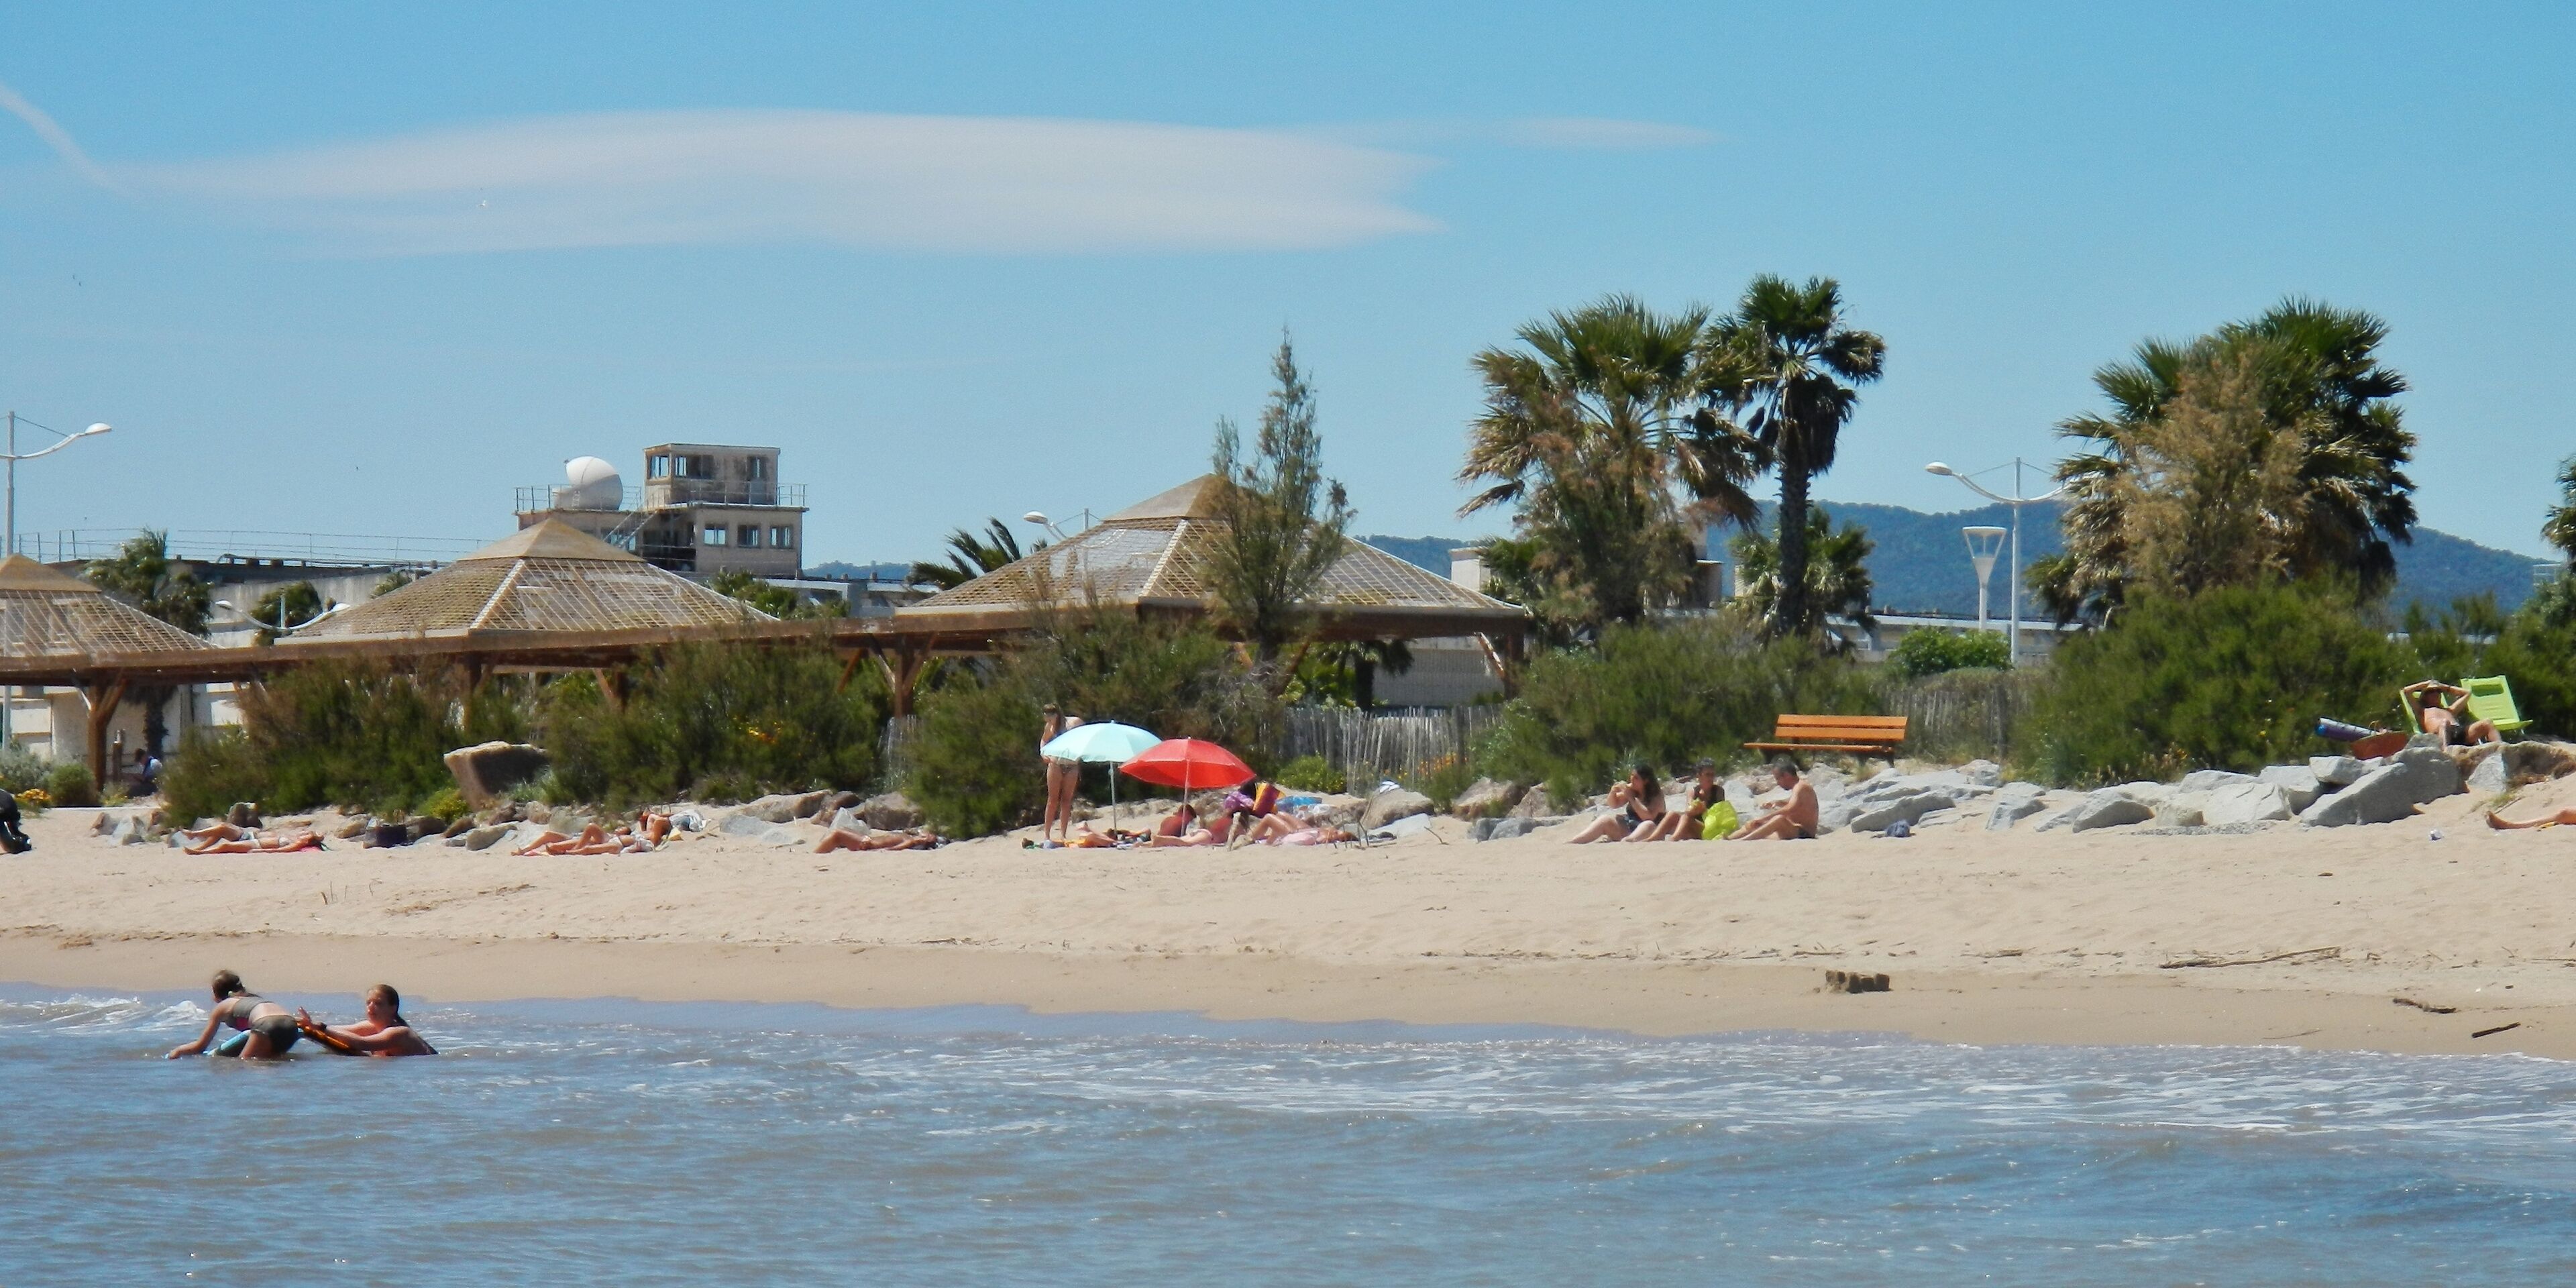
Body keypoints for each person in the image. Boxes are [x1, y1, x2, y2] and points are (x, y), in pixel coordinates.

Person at [167, 969, 301, 1059]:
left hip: (266, 1026)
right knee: (274, 1064)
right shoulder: (256, 999)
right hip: (291, 1026)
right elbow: (280, 1019)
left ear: (217, 994)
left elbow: (200, 1046)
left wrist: (177, 1052)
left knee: (245, 1064)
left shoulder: (223, 1006)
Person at [298, 984, 437, 1057]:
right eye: (368, 1002)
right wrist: (308, 1025)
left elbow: (362, 1043)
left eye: (378, 1003)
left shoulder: (399, 1033)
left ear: (393, 1008)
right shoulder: (371, 1026)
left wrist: (321, 1027)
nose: (371, 1007)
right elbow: (340, 1031)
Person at [1568, 765, 1665, 843]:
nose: (1632, 780)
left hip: (1651, 830)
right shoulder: (1632, 790)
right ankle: (1576, 841)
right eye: (1632, 776)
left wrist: (1632, 798)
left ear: (1646, 781)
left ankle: (1628, 842)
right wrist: (1613, 792)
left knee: (1648, 824)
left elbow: (1648, 817)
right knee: (1605, 820)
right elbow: (1613, 804)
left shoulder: (1656, 795)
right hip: (1629, 828)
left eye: (1636, 778)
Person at [1729, 758, 1820, 841]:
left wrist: (1763, 819)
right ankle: (1729, 839)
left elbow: (1790, 808)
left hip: (1804, 833)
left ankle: (1743, 840)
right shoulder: (1799, 788)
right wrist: (1777, 803)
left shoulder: (1801, 787)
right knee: (1754, 825)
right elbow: (1797, 805)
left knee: (1779, 819)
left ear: (1787, 776)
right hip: (1792, 831)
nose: (1777, 783)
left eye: (1778, 779)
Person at [2402, 681, 2502, 748]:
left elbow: (2468, 693)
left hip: (2460, 734)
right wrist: (2426, 684)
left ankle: (2501, 750)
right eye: (2431, 692)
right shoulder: (2422, 711)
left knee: (2487, 723)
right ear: (2424, 696)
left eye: (2438, 691)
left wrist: (2444, 687)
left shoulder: (2450, 710)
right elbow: (2406, 691)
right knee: (2444, 723)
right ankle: (2446, 755)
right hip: (2440, 734)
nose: (2436, 693)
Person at [1646, 761, 1725, 841]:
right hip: (1694, 827)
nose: (1711, 778)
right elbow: (1688, 810)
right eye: (1708, 775)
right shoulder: (1693, 792)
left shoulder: (1718, 791)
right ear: (1699, 776)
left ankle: (1673, 839)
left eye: (1712, 775)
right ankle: (1654, 837)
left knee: (1686, 817)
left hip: (1710, 828)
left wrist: (1705, 810)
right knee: (1672, 814)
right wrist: (1695, 809)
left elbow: (1720, 814)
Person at [1040, 703, 1084, 843]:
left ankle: (1063, 834)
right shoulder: (1049, 727)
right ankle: (1047, 835)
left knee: (1066, 800)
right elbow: (1044, 740)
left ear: (1057, 714)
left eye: (1050, 717)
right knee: (1052, 800)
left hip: (1071, 764)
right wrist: (1043, 753)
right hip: (1056, 764)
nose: (1049, 720)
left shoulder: (1074, 723)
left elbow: (1085, 734)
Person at [182, 823, 323, 855]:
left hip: (254, 843)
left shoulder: (297, 843)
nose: (303, 833)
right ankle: (197, 848)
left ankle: (197, 845)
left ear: (307, 841)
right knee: (222, 829)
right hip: (248, 835)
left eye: (307, 835)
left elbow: (282, 850)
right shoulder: (294, 836)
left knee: (225, 846)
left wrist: (260, 852)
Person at [814, 826, 940, 852]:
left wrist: (874, 850)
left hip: (868, 843)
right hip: (869, 839)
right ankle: (818, 852)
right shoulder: (910, 836)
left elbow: (894, 849)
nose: (926, 833)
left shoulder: (910, 841)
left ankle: (816, 854)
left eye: (928, 835)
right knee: (842, 830)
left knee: (838, 834)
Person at [0, 788, 30, 854]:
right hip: (13, 812)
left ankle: (16, 846)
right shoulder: (3, 792)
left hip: (5, 812)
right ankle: (23, 841)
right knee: (14, 832)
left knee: (9, 846)